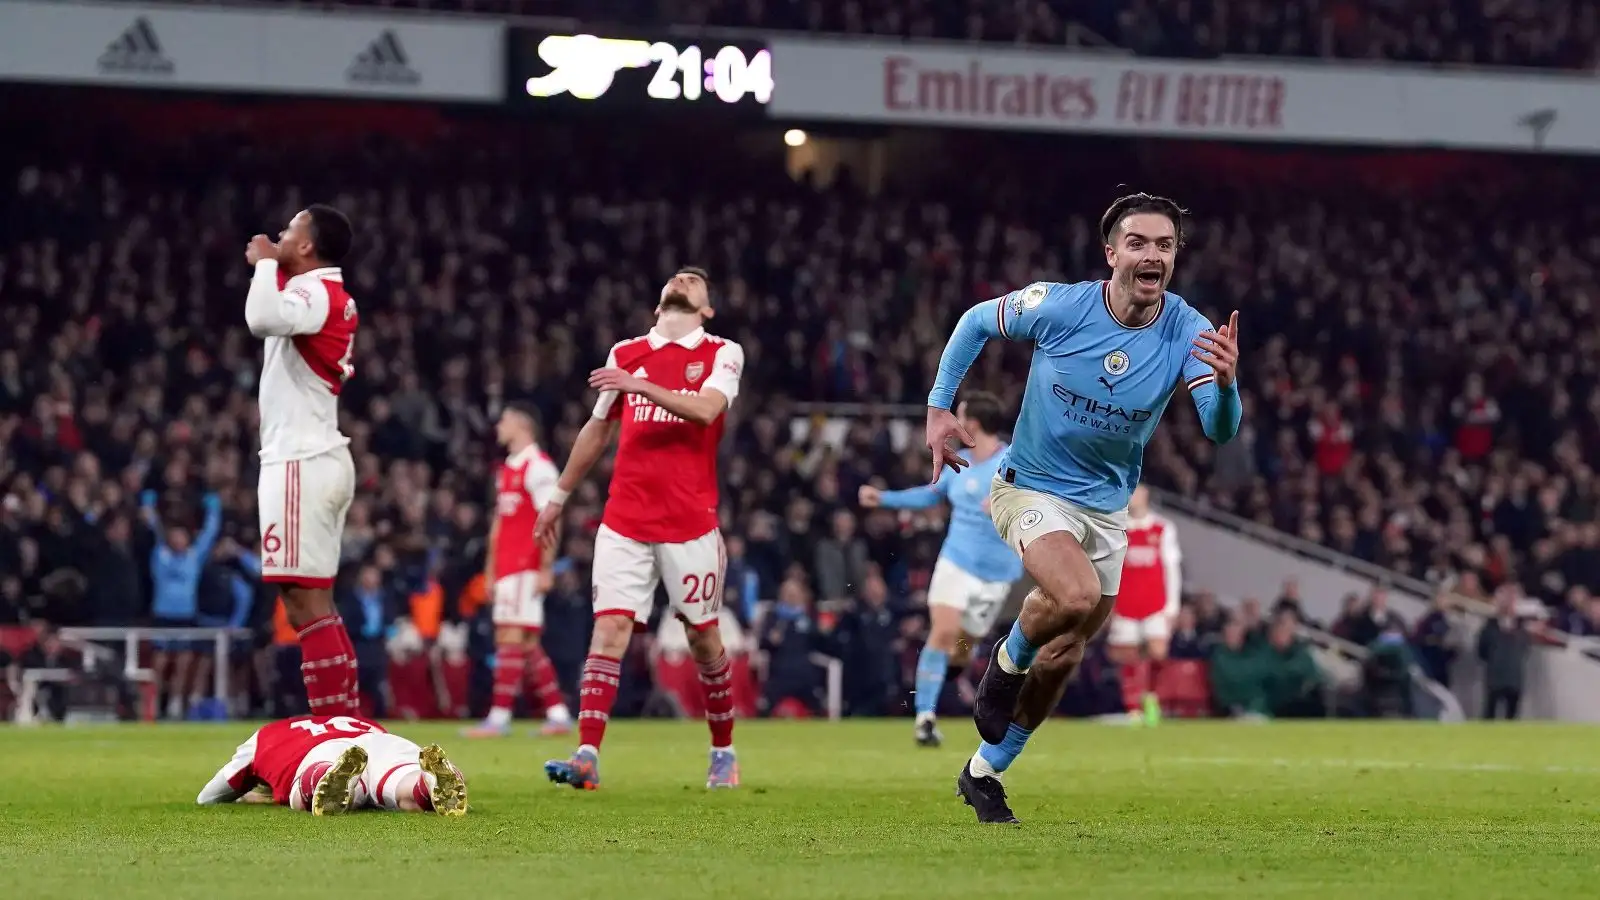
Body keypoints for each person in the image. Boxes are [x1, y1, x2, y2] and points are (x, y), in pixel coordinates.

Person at [924, 193, 1243, 824]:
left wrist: (1228, 388)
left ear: (1175, 256)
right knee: (1070, 598)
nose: (1152, 255)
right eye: (1139, 243)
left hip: (1105, 509)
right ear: (1112, 253)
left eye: (1164, 245)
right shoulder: (1060, 305)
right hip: (1031, 485)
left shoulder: (1190, 331)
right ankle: (1004, 663)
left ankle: (984, 773)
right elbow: (975, 322)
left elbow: (1219, 430)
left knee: (1065, 654)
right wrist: (939, 405)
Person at [536, 266, 746, 790]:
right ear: (658, 304)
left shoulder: (723, 352)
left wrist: (641, 386)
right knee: (609, 631)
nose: (685, 279)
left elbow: (705, 410)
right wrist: (558, 497)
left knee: (702, 639)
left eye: (697, 280)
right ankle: (586, 755)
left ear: (707, 308)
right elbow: (597, 428)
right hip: (625, 520)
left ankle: (723, 751)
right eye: (678, 278)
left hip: (690, 525)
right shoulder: (626, 352)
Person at [242, 206, 363, 716]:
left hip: (300, 462)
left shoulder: (313, 292)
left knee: (305, 606)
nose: (279, 234)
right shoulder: (328, 294)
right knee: (313, 605)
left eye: (290, 230)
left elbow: (260, 319)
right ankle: (343, 725)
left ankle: (335, 727)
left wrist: (265, 265)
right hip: (316, 459)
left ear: (308, 245)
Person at [858, 390, 1020, 747]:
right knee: (943, 632)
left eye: (958, 416)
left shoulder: (1014, 460)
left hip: (996, 574)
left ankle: (954, 671)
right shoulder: (957, 462)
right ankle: (925, 717)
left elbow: (1039, 494)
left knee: (963, 645)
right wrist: (884, 498)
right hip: (956, 561)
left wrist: (1007, 504)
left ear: (972, 424)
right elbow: (930, 494)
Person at [464, 402, 572, 737]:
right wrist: (491, 569)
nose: (499, 426)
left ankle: (498, 718)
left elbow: (552, 517)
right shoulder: (508, 468)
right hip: (508, 567)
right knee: (525, 643)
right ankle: (557, 714)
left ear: (522, 426)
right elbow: (500, 523)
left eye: (505, 421)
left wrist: (545, 567)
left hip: (526, 565)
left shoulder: (539, 468)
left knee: (509, 637)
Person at [196, 714, 467, 817]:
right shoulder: (356, 719)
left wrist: (251, 792)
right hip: (381, 739)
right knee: (397, 784)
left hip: (318, 751)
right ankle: (427, 783)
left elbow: (209, 796)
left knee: (320, 778)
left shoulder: (265, 735)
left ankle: (327, 778)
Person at [141, 490, 223, 720]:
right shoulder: (160, 555)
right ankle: (153, 703)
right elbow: (153, 529)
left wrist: (214, 510)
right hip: (163, 615)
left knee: (184, 663)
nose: (178, 540)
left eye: (181, 536)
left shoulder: (194, 556)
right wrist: (148, 507)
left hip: (185, 616)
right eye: (174, 536)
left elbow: (210, 533)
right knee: (160, 662)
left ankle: (176, 703)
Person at [1105, 485, 1182, 725]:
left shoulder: (1162, 528)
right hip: (1126, 603)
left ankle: (1152, 697)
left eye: (1136, 491)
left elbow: (1172, 568)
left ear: (1146, 495)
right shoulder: (1117, 528)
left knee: (1157, 652)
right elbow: (1108, 568)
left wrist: (1172, 607)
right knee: (1127, 656)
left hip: (1155, 603)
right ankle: (1133, 707)